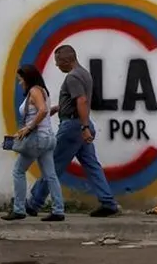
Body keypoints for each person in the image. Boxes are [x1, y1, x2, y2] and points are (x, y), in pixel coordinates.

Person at [26, 45, 120, 217]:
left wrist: (84, 127)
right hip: (80, 125)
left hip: (73, 128)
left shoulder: (72, 77)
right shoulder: (84, 74)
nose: (57, 65)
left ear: (67, 60)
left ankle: (34, 203)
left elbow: (82, 101)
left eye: (58, 62)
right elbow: (77, 100)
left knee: (53, 164)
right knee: (92, 165)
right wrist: (59, 107)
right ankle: (108, 202)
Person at [2, 65, 65, 221]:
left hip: (37, 139)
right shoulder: (43, 91)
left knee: (18, 171)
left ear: (28, 78)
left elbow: (42, 110)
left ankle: (19, 209)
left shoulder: (34, 91)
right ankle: (58, 210)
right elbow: (43, 112)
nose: (20, 83)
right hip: (48, 138)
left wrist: (29, 127)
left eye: (21, 79)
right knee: (50, 175)